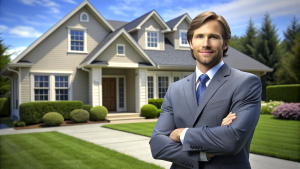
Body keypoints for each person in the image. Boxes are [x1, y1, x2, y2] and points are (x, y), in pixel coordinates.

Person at [149, 11, 261, 169]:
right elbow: (157, 144)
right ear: (190, 42)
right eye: (199, 36)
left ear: (225, 43)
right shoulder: (175, 89)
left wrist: (181, 134)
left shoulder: (246, 83)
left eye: (213, 37)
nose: (205, 44)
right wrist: (203, 153)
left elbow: (232, 140)